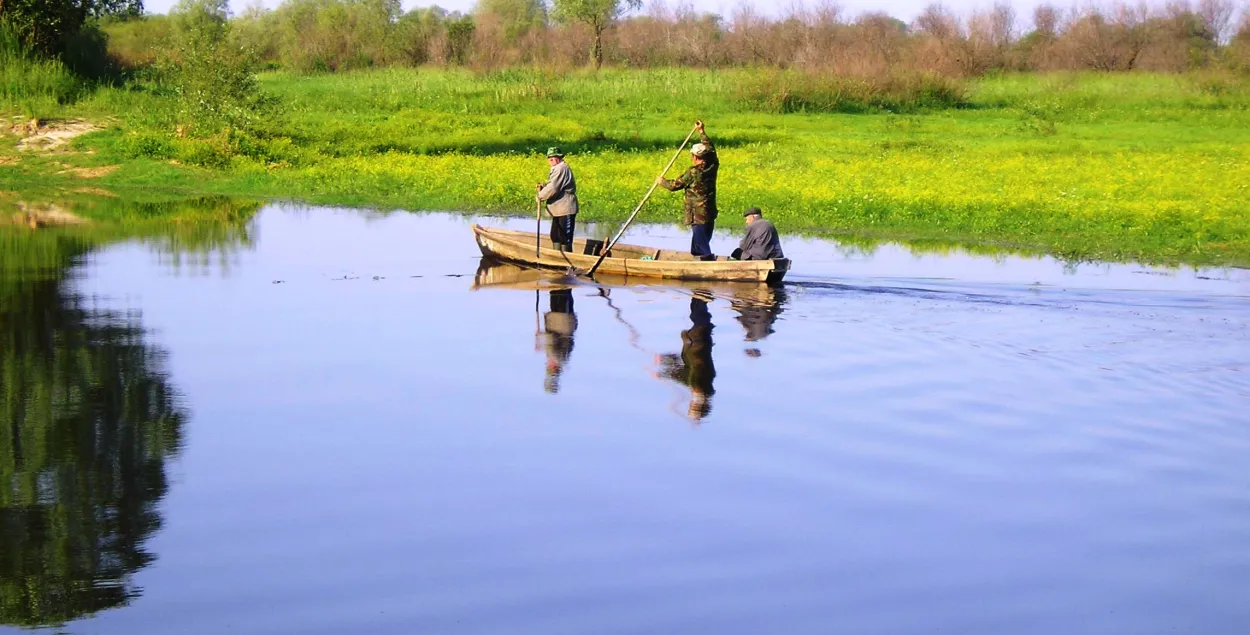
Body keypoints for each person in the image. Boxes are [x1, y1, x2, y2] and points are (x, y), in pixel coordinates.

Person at [657, 120, 719, 260]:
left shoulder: (693, 172)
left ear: (696, 157)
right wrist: (701, 131)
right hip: (709, 213)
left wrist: (662, 182)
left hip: (698, 215)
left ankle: (709, 266)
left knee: (701, 246)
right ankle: (699, 264)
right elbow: (711, 149)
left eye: (693, 155)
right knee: (698, 246)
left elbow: (674, 185)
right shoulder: (713, 165)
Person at [654, 292, 717, 422]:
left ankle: (702, 291)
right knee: (698, 309)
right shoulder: (700, 381)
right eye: (693, 404)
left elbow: (681, 374)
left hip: (697, 337)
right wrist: (665, 369)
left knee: (696, 309)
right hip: (698, 337)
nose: (692, 399)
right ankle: (703, 289)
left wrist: (663, 367)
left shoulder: (695, 382)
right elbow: (685, 373)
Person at [536, 147, 579, 252]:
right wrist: (544, 186)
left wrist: (540, 196)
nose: (551, 160)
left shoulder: (561, 168)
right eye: (549, 158)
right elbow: (553, 184)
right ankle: (556, 258)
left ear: (559, 158)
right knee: (555, 235)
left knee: (565, 237)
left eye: (553, 158)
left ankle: (567, 263)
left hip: (566, 206)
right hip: (558, 208)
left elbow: (554, 187)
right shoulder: (557, 168)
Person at [541, 289, 577, 394]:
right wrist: (541, 337)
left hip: (567, 321)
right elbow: (550, 338)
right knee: (558, 290)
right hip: (559, 319)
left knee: (564, 291)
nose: (547, 363)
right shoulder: (556, 356)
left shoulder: (564, 358)